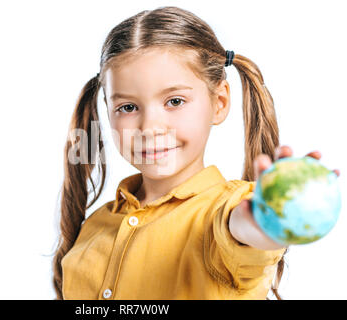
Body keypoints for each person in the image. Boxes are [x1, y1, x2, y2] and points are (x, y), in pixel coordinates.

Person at [52, 6, 340, 300]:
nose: (149, 126)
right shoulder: (95, 226)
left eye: (174, 101)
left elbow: (244, 232)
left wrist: (268, 216)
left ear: (220, 102)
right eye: (127, 107)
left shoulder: (226, 214)